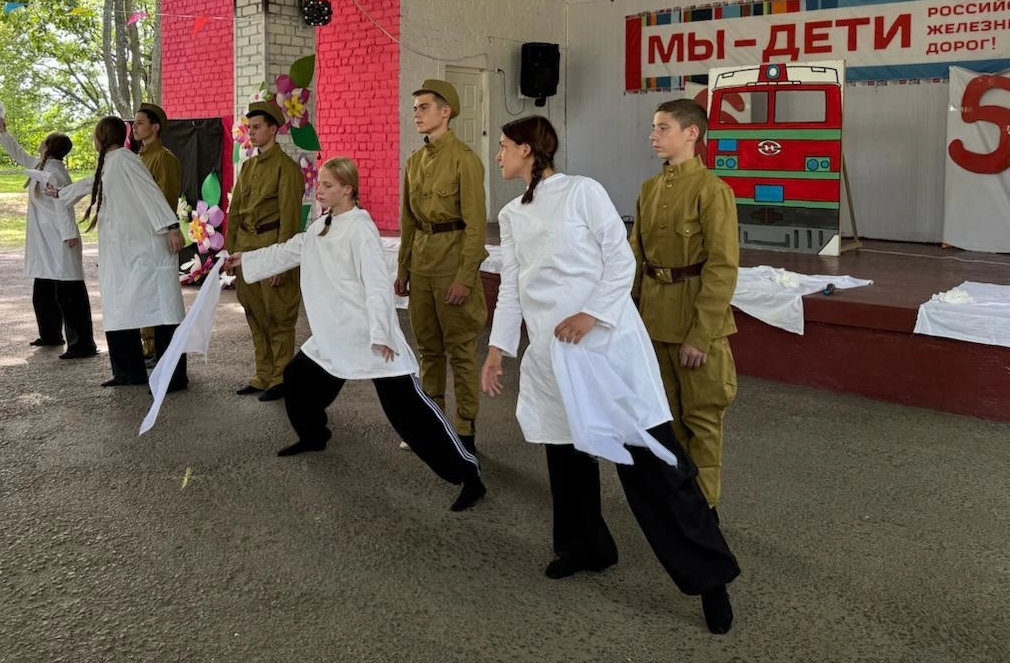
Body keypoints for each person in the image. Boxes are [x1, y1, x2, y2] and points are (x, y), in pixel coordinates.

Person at [480, 116, 739, 634]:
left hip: (604, 347)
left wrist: (591, 314)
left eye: (504, 146)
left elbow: (622, 261)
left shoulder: (583, 192)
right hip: (552, 352)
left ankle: (710, 579)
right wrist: (497, 350)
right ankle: (586, 547)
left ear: (528, 149)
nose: (498, 155)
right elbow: (512, 285)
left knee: (653, 462)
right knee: (565, 454)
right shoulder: (511, 214)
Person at [226, 158, 485, 512]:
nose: (319, 190)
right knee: (297, 378)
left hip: (368, 335)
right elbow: (292, 248)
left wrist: (382, 334)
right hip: (334, 334)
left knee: (408, 414)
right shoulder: (322, 224)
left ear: (348, 189)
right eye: (320, 183)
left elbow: (377, 286)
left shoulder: (361, 228)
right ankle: (314, 436)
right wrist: (246, 259)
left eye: (328, 185)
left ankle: (469, 476)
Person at [630, 99, 740, 510]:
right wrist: (629, 321)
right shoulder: (649, 189)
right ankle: (676, 505)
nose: (653, 136)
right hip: (653, 322)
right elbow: (635, 259)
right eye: (653, 127)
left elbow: (722, 268)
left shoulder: (712, 191)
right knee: (665, 421)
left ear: (692, 133)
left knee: (703, 421)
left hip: (694, 324)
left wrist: (701, 335)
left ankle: (703, 512)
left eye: (663, 128)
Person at [50, 116, 185, 387]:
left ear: (101, 137)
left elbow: (150, 192)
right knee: (120, 310)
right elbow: (90, 183)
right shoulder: (111, 162)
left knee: (162, 312)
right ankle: (128, 372)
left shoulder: (124, 159)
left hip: (145, 250)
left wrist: (172, 226)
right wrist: (61, 194)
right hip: (122, 253)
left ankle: (172, 377)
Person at [395, 79, 487, 452]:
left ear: (445, 111)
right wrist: (402, 269)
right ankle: (432, 423)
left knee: (461, 351)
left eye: (425, 107)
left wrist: (465, 277)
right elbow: (408, 221)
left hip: (452, 264)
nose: (417, 114)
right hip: (422, 263)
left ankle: (464, 429)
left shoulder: (465, 159)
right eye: (415, 108)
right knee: (428, 349)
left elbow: (476, 226)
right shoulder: (414, 161)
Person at [0, 116, 96, 360]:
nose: (39, 145)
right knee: (44, 291)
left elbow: (64, 206)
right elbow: (19, 154)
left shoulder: (55, 173)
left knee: (68, 292)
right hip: (44, 238)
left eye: (43, 142)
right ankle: (50, 334)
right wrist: (4, 132)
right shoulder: (41, 166)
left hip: (59, 237)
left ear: (49, 148)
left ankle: (82, 344)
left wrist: (69, 234)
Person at [225, 99, 304, 402]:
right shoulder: (247, 167)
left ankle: (281, 377)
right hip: (246, 248)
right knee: (255, 314)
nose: (252, 133)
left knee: (278, 316)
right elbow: (235, 211)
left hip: (272, 247)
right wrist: (229, 251)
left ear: (273, 129)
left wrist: (281, 264)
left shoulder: (287, 169)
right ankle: (263, 374)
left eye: (257, 127)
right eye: (250, 128)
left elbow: (289, 218)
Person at [132, 103, 188, 390]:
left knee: (161, 296)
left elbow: (166, 199)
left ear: (155, 127)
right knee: (145, 293)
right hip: (140, 236)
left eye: (141, 123)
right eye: (134, 123)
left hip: (158, 235)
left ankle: (159, 352)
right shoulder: (137, 158)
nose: (135, 127)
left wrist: (170, 228)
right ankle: (148, 348)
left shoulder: (164, 159)